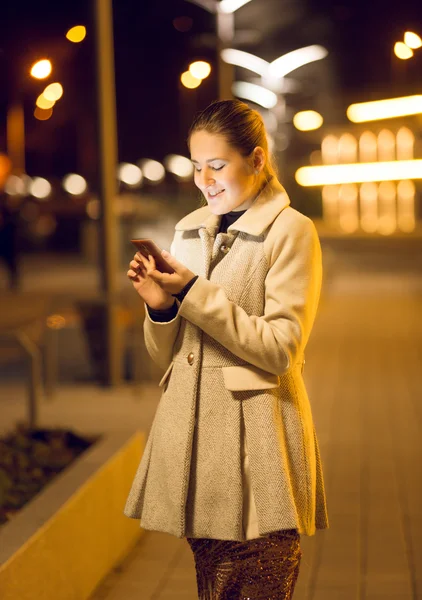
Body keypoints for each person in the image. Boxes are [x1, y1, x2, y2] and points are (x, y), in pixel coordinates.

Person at [124, 99, 329, 599]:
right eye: (197, 166)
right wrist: (161, 308)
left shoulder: (292, 232)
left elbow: (281, 348)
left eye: (217, 165)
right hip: (195, 450)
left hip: (257, 449)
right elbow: (165, 358)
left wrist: (193, 292)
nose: (205, 179)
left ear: (257, 160)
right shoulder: (190, 229)